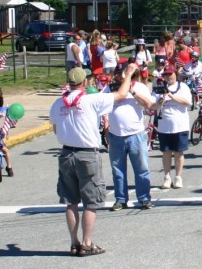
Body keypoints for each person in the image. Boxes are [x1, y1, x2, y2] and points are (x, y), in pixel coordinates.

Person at [49, 64, 138, 257]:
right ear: (84, 82)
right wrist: (129, 74)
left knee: (71, 202)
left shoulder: (58, 104)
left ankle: (74, 243)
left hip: (66, 153)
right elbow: (121, 94)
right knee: (91, 201)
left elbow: (56, 128)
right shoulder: (91, 100)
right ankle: (87, 243)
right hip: (87, 154)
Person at [102, 60, 154, 211]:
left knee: (141, 168)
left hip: (135, 134)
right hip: (115, 135)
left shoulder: (139, 87)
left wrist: (132, 91)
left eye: (122, 73)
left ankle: (144, 198)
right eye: (117, 73)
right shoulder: (109, 89)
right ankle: (120, 199)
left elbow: (148, 104)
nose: (119, 76)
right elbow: (101, 106)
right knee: (118, 169)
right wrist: (105, 123)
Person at [150, 64, 192, 189]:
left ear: (175, 74)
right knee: (166, 152)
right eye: (166, 75)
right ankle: (167, 177)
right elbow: (153, 106)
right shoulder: (158, 88)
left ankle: (178, 177)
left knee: (179, 152)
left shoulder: (182, 86)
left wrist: (172, 96)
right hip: (164, 126)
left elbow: (188, 103)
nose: (169, 77)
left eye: (171, 74)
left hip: (180, 125)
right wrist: (160, 101)